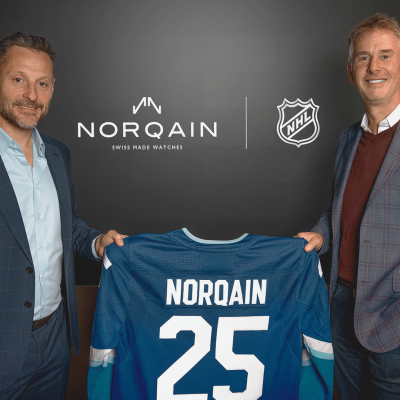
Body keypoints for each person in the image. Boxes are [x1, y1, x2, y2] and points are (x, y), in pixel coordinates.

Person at [0, 32, 126, 399]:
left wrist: (97, 242)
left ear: (53, 88)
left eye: (42, 84)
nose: (31, 95)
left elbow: (66, 227)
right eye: (18, 79)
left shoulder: (57, 154)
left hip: (54, 341)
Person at [296, 13, 400, 399]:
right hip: (340, 309)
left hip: (393, 318)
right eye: (363, 58)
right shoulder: (347, 140)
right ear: (351, 71)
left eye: (386, 55)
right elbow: (338, 211)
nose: (374, 67)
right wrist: (319, 236)